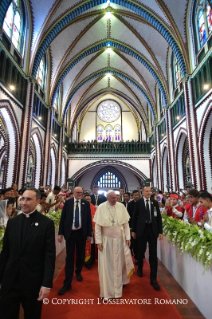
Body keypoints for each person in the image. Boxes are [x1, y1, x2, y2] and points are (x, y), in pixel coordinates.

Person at [0, 188, 56, 319]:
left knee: (32, 315)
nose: (24, 202)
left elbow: (49, 255)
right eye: (22, 199)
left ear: (37, 202)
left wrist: (46, 284)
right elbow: (5, 253)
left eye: (28, 199)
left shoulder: (46, 224)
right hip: (11, 279)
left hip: (33, 281)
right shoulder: (13, 222)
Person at [94, 190, 134, 300]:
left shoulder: (121, 207)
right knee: (106, 267)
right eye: (112, 198)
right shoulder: (101, 207)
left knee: (119, 265)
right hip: (106, 241)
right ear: (107, 198)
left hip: (120, 241)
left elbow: (126, 224)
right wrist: (98, 242)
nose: (115, 200)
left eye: (116, 198)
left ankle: (117, 291)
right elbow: (98, 227)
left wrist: (128, 237)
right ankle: (107, 292)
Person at [57, 187, 92, 295]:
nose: (80, 194)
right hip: (70, 233)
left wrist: (89, 234)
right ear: (73, 193)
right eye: (78, 193)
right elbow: (63, 218)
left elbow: (88, 219)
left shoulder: (85, 204)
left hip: (81, 233)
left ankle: (78, 272)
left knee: (80, 255)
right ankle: (67, 283)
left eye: (81, 193)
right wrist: (60, 233)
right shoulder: (68, 203)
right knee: (69, 257)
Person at [132, 186, 163, 291]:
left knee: (153, 254)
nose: (148, 193)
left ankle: (153, 277)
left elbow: (158, 217)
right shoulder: (139, 203)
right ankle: (140, 268)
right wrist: (133, 230)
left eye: (149, 191)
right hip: (142, 230)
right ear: (142, 192)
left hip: (152, 230)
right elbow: (134, 217)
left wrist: (160, 231)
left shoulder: (154, 203)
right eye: (146, 191)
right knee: (141, 251)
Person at [84, 194, 97, 268]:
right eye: (86, 199)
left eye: (89, 199)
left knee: (91, 245)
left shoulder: (94, 208)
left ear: (91, 200)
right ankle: (85, 261)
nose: (87, 201)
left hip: (92, 230)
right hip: (83, 231)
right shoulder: (81, 208)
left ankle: (90, 261)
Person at [127, 190, 140, 264]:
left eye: (137, 195)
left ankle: (140, 255)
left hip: (141, 226)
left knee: (141, 242)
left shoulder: (142, 203)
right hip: (133, 225)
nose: (136, 196)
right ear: (133, 196)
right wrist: (130, 227)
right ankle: (136, 257)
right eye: (135, 195)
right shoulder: (130, 204)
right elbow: (129, 216)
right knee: (134, 242)